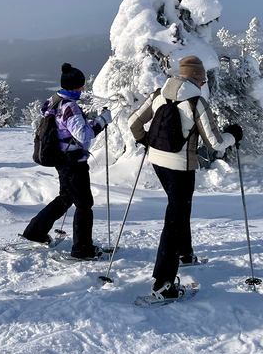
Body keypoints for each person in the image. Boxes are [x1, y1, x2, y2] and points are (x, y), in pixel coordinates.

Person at [128, 56, 242, 299]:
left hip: (157, 162)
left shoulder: (159, 94)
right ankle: (163, 285)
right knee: (175, 218)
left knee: (178, 210)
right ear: (197, 79)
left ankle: (185, 254)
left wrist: (145, 141)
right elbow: (215, 143)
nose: (203, 85)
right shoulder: (195, 102)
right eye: (202, 81)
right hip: (181, 167)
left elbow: (133, 123)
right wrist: (233, 135)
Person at [22, 63, 112, 258]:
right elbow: (83, 134)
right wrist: (102, 121)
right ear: (74, 87)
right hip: (73, 161)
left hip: (60, 158)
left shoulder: (54, 100)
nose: (83, 89)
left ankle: (35, 231)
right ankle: (82, 249)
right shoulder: (70, 107)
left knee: (66, 198)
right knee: (84, 204)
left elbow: (58, 123)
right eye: (81, 86)